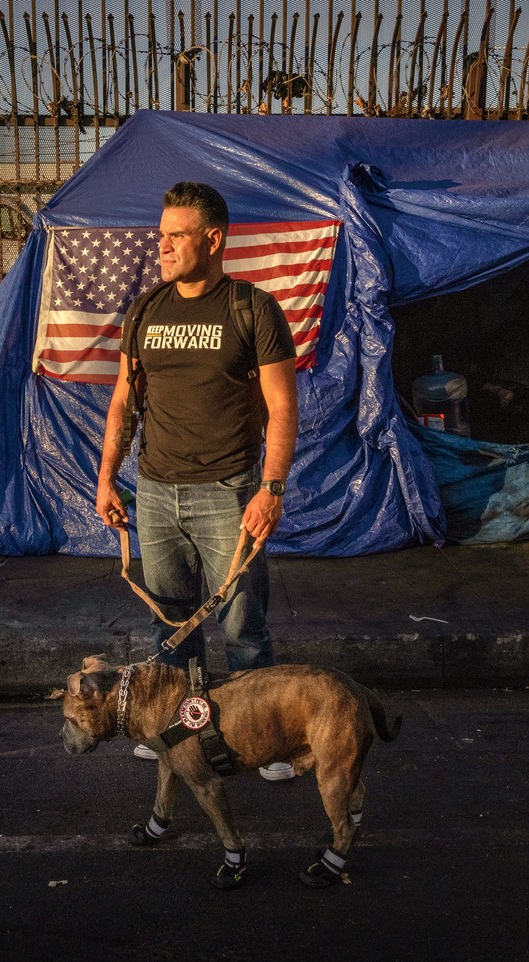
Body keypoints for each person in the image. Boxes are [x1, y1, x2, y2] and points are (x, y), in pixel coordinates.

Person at [96, 182, 298, 780]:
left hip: (229, 493)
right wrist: (108, 478)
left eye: (175, 235)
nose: (162, 245)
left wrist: (272, 489)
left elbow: (283, 408)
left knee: (243, 626)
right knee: (171, 626)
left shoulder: (252, 310)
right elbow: (123, 402)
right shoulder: (147, 311)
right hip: (155, 493)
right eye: (161, 235)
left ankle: (266, 742)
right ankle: (181, 734)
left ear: (214, 239)